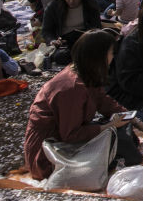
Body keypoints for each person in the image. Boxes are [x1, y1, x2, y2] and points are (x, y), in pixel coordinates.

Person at [23, 30, 129, 180]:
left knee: (123, 139)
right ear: (98, 57)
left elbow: (103, 101)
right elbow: (71, 135)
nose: (113, 57)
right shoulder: (71, 87)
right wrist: (108, 126)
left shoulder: (86, 73)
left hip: (65, 140)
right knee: (120, 144)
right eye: (111, 53)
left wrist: (136, 121)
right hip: (50, 154)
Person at [41, 0, 102, 64]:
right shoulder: (53, 7)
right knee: (60, 57)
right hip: (63, 43)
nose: (71, 1)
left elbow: (96, 26)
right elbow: (46, 30)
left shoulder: (91, 5)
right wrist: (52, 40)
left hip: (85, 40)